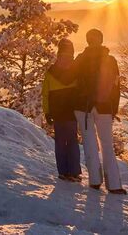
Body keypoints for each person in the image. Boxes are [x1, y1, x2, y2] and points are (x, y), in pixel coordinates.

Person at [55, 28, 125, 195]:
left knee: (89, 144)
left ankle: (94, 181)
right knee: (107, 145)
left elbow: (67, 80)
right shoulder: (111, 60)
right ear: (101, 40)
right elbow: (116, 87)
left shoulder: (80, 59)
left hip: (82, 107)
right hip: (105, 107)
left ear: (87, 41)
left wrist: (57, 67)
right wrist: (113, 108)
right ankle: (114, 184)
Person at [41, 39, 81, 182]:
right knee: (72, 141)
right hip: (72, 112)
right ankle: (74, 172)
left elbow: (45, 94)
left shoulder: (51, 71)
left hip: (57, 112)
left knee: (60, 142)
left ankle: (63, 172)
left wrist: (47, 112)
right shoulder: (77, 70)